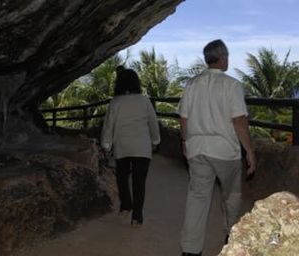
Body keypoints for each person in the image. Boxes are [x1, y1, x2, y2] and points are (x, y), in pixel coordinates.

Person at [177, 39, 256, 256]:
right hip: (225, 151)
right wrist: (249, 150)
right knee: (231, 196)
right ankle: (232, 235)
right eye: (228, 56)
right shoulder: (231, 85)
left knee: (197, 198)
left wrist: (185, 142)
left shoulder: (191, 84)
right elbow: (239, 121)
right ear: (222, 58)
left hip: (198, 148)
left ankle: (190, 250)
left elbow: (184, 119)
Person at [101, 67, 161, 228]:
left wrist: (106, 145)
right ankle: (137, 216)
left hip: (122, 146)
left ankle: (126, 205)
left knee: (122, 178)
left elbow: (108, 126)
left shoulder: (115, 102)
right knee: (139, 182)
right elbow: (153, 123)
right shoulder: (145, 101)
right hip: (142, 147)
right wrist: (155, 141)